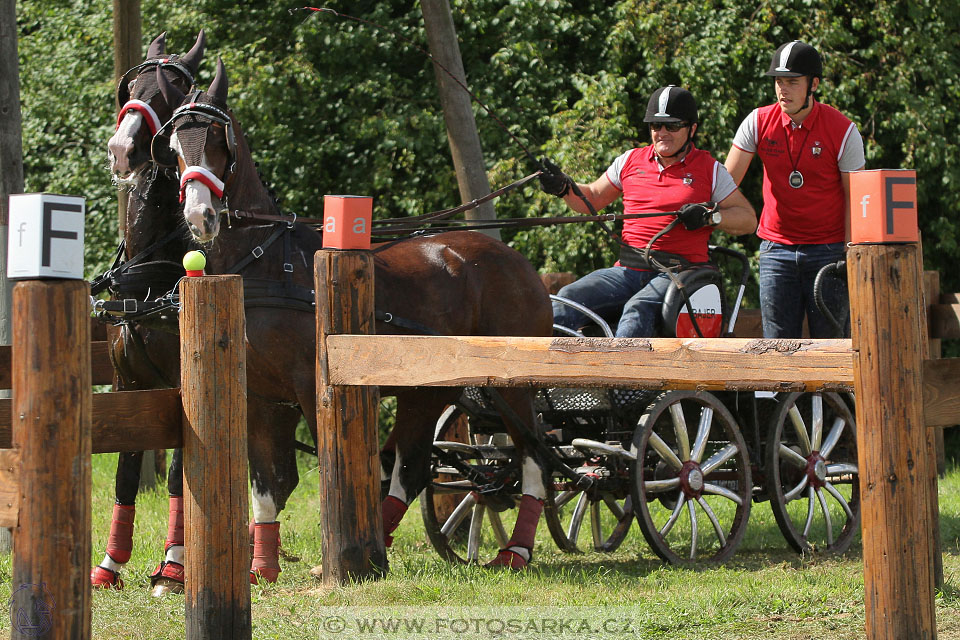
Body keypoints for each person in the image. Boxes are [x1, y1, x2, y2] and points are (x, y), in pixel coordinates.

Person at [540, 85, 757, 338]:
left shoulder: (710, 170)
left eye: (672, 126)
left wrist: (709, 216)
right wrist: (565, 187)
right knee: (567, 299)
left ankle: (621, 377)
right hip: (627, 271)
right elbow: (594, 197)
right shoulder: (630, 160)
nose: (662, 133)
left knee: (637, 309)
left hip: (679, 273)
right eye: (656, 126)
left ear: (692, 129)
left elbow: (748, 220)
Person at [724, 41, 865, 339]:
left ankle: (828, 390)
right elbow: (725, 184)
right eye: (778, 81)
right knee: (777, 347)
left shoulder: (843, 130)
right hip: (777, 249)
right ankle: (782, 389)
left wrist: (850, 254)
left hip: (828, 250)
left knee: (830, 346)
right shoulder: (758, 121)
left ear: (813, 84)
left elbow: (857, 197)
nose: (782, 90)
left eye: (792, 82)